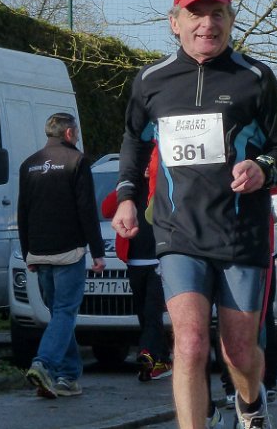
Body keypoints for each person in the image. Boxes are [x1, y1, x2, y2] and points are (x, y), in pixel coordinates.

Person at [112, 0, 277, 429]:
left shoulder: (255, 78)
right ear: (174, 23)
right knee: (190, 344)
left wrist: (262, 169)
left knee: (238, 351)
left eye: (217, 14)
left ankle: (250, 403)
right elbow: (134, 141)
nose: (207, 25)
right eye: (195, 15)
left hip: (240, 232)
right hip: (179, 233)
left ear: (230, 21)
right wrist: (127, 197)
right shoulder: (151, 81)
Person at [18, 113, 106, 399]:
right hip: (69, 252)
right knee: (66, 312)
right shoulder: (77, 161)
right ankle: (44, 363)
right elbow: (87, 210)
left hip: (39, 252)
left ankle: (67, 376)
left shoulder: (28, 164)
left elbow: (23, 213)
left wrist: (28, 253)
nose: (77, 135)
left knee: (59, 313)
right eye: (76, 131)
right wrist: (98, 252)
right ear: (69, 133)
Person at [100, 149, 171, 382]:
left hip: (160, 260)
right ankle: (160, 359)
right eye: (143, 163)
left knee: (152, 312)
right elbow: (106, 209)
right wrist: (124, 191)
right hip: (135, 260)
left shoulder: (164, 187)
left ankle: (147, 353)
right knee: (143, 312)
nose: (147, 168)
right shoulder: (129, 190)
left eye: (150, 163)